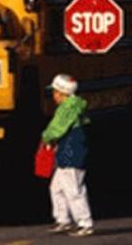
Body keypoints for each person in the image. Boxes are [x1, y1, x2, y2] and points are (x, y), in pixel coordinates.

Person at [42, 74, 94, 237]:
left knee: (73, 189)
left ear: (61, 93)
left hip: (71, 153)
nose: (53, 96)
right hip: (70, 152)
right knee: (57, 188)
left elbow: (57, 128)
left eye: (55, 92)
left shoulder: (67, 108)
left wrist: (46, 137)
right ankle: (62, 219)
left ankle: (84, 223)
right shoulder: (75, 105)